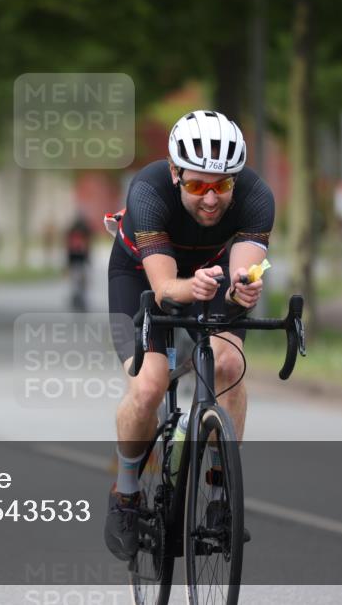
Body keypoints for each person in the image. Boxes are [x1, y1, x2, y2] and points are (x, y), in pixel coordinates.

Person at [103, 110, 274, 560]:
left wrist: (244, 290)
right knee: (149, 386)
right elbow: (164, 290)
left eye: (223, 185)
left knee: (229, 364)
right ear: (176, 174)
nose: (212, 198)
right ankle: (125, 495)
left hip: (211, 276)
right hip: (140, 278)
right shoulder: (149, 191)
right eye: (198, 185)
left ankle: (220, 497)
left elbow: (243, 271)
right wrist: (188, 287)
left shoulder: (256, 196)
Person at [65, 214, 92, 311]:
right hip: (79, 260)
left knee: (77, 281)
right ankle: (78, 299)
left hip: (75, 260)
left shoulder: (72, 232)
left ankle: (77, 299)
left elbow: (69, 249)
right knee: (80, 281)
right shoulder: (83, 233)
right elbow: (87, 248)